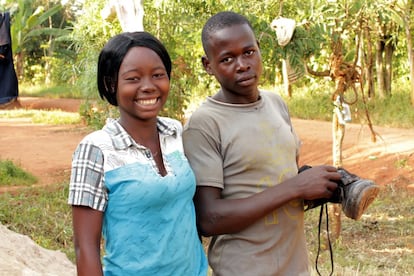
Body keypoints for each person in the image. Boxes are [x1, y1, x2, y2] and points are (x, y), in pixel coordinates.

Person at [182, 11, 377, 275]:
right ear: (208, 65)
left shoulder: (275, 103)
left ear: (259, 49)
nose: (242, 64)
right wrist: (296, 187)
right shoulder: (204, 124)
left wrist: (319, 185)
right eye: (227, 59)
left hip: (293, 266)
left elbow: (279, 182)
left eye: (249, 52)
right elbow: (209, 217)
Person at [68, 31, 207, 276]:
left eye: (158, 75)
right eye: (133, 78)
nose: (148, 87)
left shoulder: (174, 132)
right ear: (112, 84)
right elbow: (85, 247)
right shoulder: (96, 149)